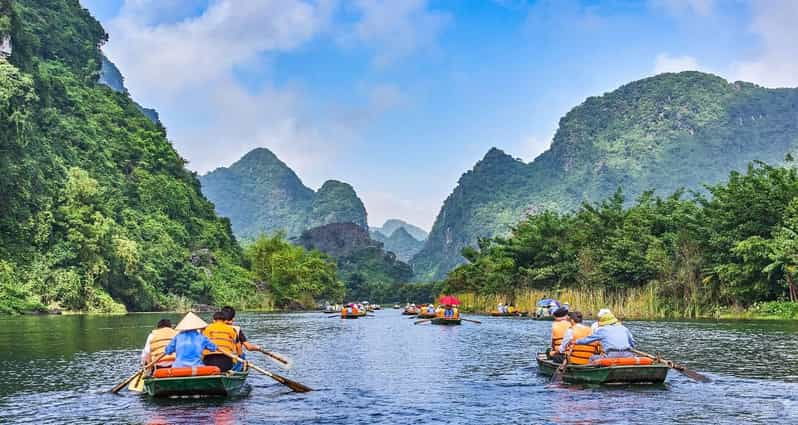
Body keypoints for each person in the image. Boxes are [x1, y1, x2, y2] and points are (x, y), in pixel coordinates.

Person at [221, 306, 266, 372]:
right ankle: (239, 367)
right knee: (241, 354)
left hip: (213, 359)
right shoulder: (236, 329)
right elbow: (249, 347)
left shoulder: (211, 328)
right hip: (232, 362)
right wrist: (258, 348)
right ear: (233, 318)